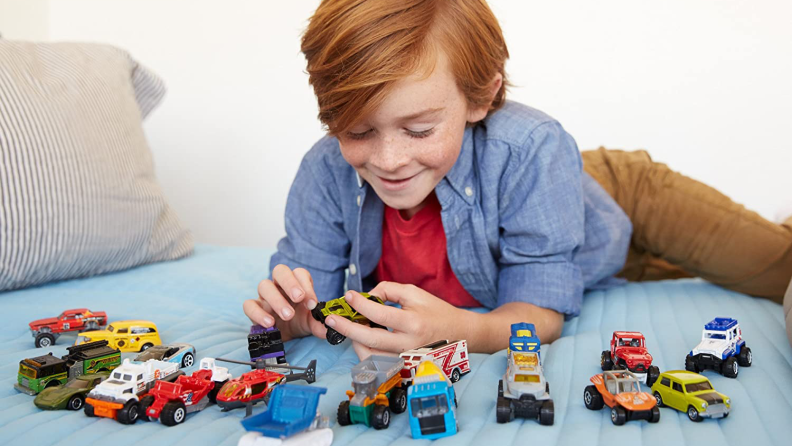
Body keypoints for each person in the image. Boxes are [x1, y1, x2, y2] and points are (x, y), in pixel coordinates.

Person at [243, 0, 792, 358]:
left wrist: (454, 330)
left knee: (775, 268)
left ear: (479, 97)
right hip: (587, 260)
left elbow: (539, 311)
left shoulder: (532, 146)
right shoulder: (325, 169)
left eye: (419, 129)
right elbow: (302, 303)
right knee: (681, 275)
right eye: (357, 130)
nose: (386, 160)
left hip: (622, 199)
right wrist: (286, 318)